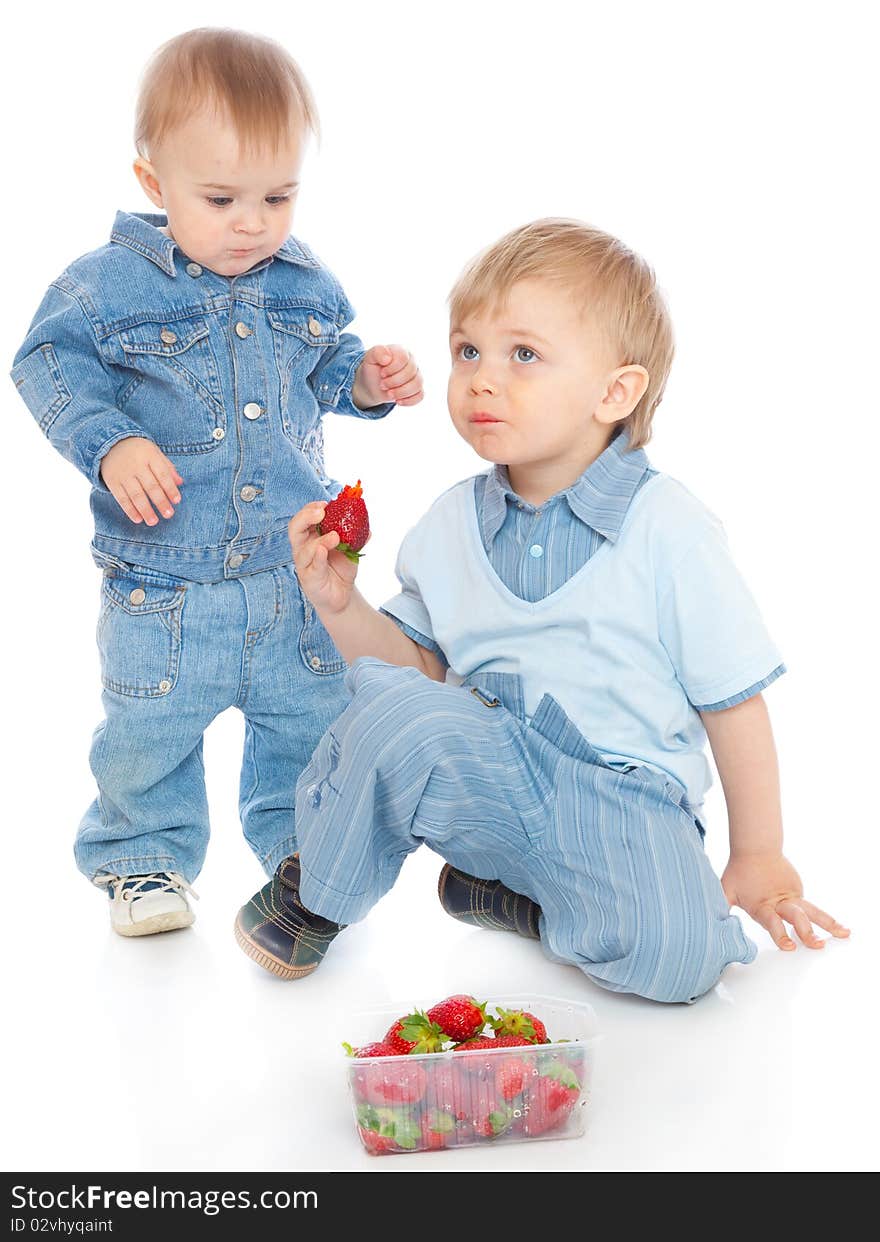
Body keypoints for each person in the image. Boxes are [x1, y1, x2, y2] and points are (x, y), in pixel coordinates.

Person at [235, 218, 849, 1002]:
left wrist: (759, 852)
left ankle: (522, 904)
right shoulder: (449, 524)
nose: (483, 379)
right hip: (490, 770)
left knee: (687, 963)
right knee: (392, 706)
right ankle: (312, 894)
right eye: (468, 351)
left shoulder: (669, 528)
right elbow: (413, 669)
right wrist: (340, 601)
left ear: (615, 391)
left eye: (522, 355)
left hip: (625, 803)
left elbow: (734, 700)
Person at [9, 28, 422, 938]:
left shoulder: (303, 280)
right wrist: (110, 442)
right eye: (222, 197)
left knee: (310, 724)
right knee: (147, 732)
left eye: (278, 195)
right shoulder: (106, 287)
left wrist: (364, 381)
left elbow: (323, 370)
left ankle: (305, 857)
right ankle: (145, 860)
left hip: (292, 579)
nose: (254, 222)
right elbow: (44, 362)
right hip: (166, 587)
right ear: (154, 185)